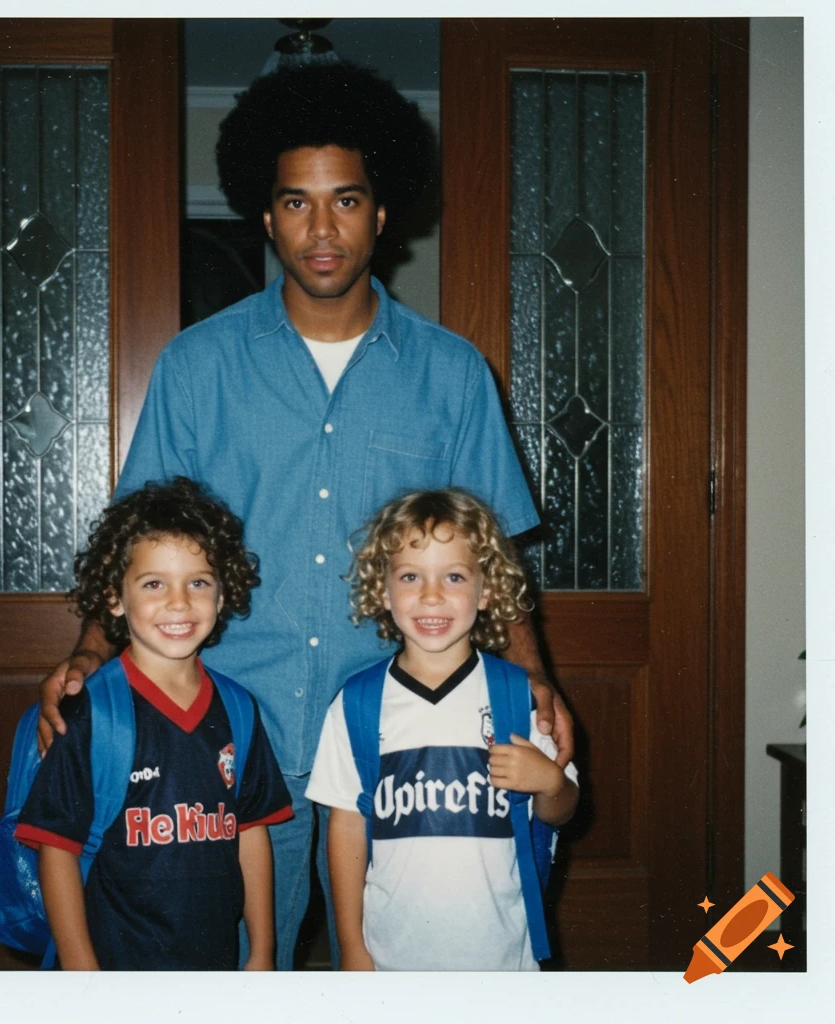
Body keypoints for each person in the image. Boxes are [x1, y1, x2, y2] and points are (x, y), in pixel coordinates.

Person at [37, 59, 574, 969]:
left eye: (347, 201)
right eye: (296, 203)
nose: (321, 230)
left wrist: (536, 683)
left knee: (405, 968)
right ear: (264, 212)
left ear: (382, 211)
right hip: (234, 741)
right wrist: (92, 650)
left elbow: (494, 556)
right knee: (245, 969)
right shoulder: (196, 366)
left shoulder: (450, 374)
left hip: (407, 742)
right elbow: (141, 537)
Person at [15, 477, 293, 970]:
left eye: (199, 582)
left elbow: (251, 832)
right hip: (114, 966)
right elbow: (56, 851)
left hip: (214, 962)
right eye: (154, 584)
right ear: (115, 598)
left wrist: (264, 952)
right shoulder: (92, 712)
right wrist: (83, 973)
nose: (179, 603)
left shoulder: (240, 709)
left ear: (223, 594)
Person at [306, 488, 578, 970]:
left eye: (454, 576)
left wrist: (550, 782)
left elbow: (561, 810)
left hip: (501, 963)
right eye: (411, 576)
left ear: (487, 589)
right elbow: (346, 827)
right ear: (382, 590)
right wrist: (350, 944)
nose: (432, 595)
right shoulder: (357, 704)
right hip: (394, 962)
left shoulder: (518, 698)